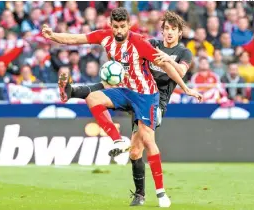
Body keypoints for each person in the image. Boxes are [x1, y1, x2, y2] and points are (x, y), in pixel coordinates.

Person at [42, 7, 202, 207]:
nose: (118, 31)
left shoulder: (171, 49)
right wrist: (52, 35)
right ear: (111, 25)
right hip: (126, 90)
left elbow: (172, 68)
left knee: (140, 147)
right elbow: (75, 39)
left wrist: (186, 88)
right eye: (115, 27)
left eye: (122, 27)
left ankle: (161, 193)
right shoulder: (130, 40)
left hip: (149, 98)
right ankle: (117, 142)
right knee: (94, 98)